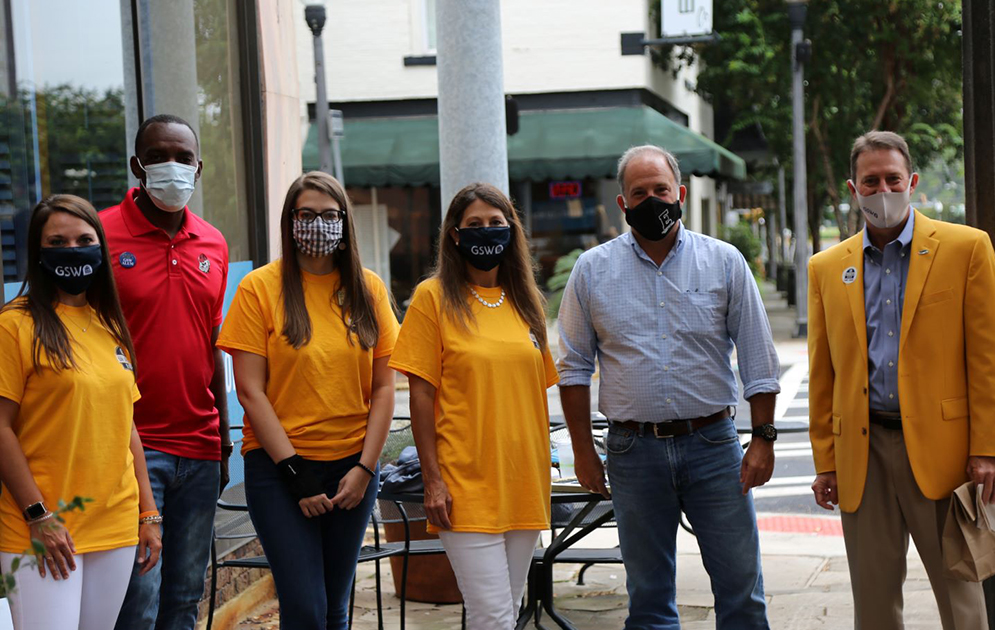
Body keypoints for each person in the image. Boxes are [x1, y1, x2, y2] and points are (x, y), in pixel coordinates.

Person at [557, 145, 779, 629]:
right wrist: (582, 451)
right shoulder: (592, 271)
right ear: (623, 203)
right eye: (640, 192)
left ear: (679, 193)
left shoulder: (723, 262)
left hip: (714, 447)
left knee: (742, 591)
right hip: (633, 452)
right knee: (650, 599)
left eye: (661, 189)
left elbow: (759, 359)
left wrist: (762, 440)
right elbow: (572, 369)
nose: (653, 199)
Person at [807, 131, 995, 629]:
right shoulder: (827, 268)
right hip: (863, 452)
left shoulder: (966, 247)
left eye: (892, 179)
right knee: (873, 604)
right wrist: (826, 461)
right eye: (869, 182)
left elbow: (990, 358)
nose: (882, 191)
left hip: (944, 451)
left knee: (961, 599)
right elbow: (822, 374)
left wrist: (988, 448)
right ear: (853, 191)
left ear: (912, 182)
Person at [217, 171, 399, 629]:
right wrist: (295, 474)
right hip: (280, 471)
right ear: (290, 221)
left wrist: (365, 469)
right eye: (307, 214)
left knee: (335, 606)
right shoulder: (260, 288)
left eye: (329, 215)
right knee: (305, 608)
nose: (318, 224)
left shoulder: (369, 289)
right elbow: (250, 392)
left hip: (352, 470)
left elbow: (384, 388)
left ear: (344, 223)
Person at [389, 182, 557, 629]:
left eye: (497, 223)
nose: (487, 232)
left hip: (524, 480)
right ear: (455, 236)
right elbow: (420, 396)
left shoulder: (528, 304)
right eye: (475, 225)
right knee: (493, 615)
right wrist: (433, 481)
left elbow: (534, 394)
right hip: (464, 484)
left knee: (508, 609)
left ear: (512, 230)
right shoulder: (433, 297)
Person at [0, 195, 162, 630]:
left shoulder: (110, 324)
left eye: (84, 239)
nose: (73, 250)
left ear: (101, 247)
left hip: (114, 522)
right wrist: (39, 515)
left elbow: (125, 425)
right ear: (38, 252)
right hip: (41, 529)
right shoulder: (14, 325)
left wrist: (148, 513)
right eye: (58, 241)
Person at [105, 114, 231, 630]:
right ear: (138, 165)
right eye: (159, 156)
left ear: (199, 170)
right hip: (132, 447)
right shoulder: (100, 234)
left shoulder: (214, 243)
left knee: (184, 600)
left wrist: (222, 440)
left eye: (183, 158)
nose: (172, 167)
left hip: (199, 448)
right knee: (138, 604)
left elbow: (211, 347)